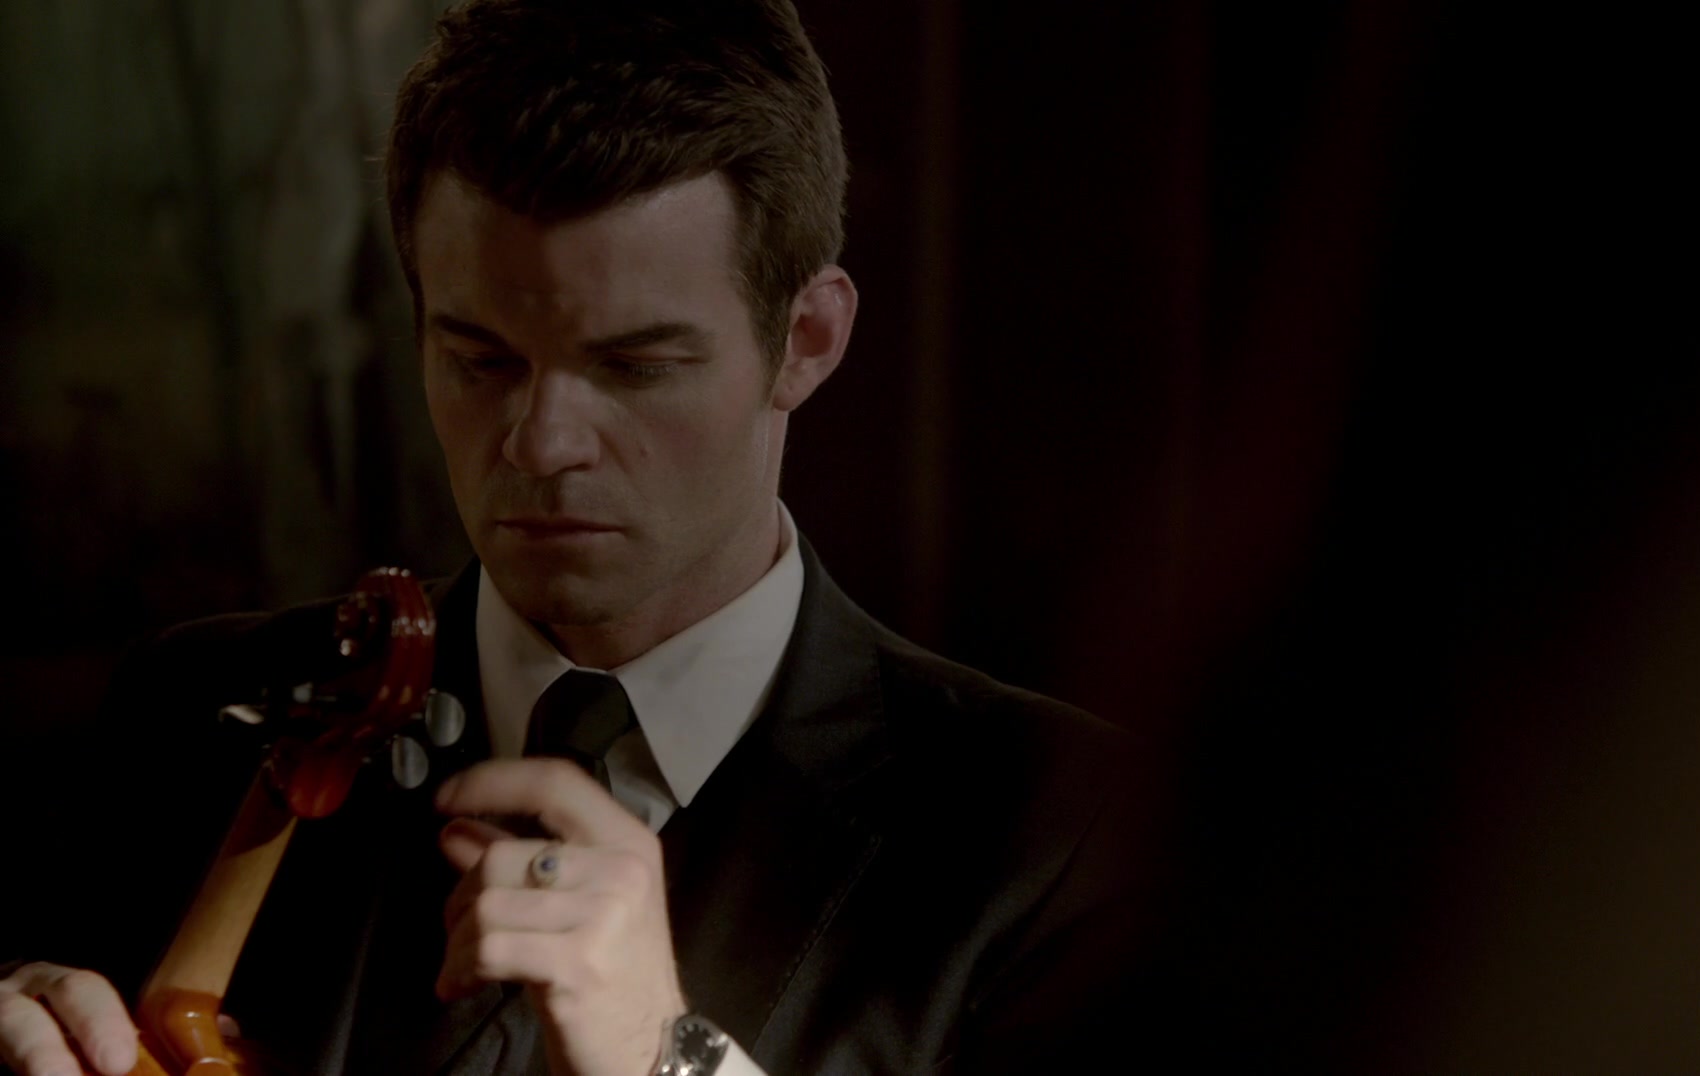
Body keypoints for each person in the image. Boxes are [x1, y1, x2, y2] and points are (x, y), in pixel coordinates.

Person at [0, 1, 1162, 1074]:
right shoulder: (185, 720)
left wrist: (667, 1056)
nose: (543, 440)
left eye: (636, 364)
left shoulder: (1065, 839)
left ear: (806, 337)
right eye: (479, 358)